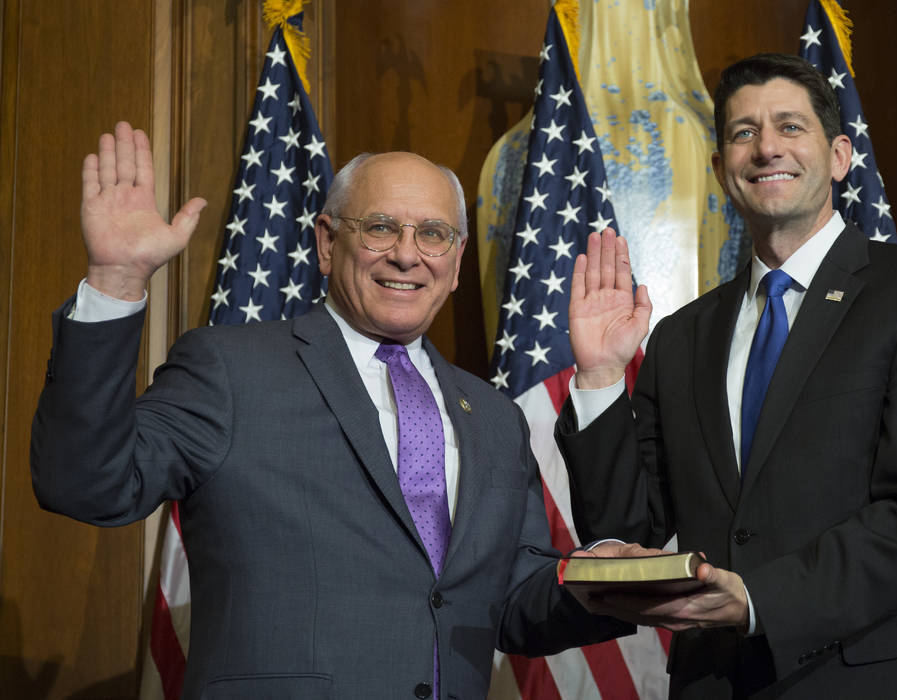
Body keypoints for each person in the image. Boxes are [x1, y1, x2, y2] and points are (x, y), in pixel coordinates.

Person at [31, 122, 632, 699]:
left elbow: (514, 602)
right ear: (325, 242)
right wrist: (115, 279)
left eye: (433, 234)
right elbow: (86, 484)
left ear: (455, 261)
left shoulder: (497, 419)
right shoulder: (230, 370)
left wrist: (619, 586)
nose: (406, 255)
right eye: (379, 227)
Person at [555, 53, 897, 698]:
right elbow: (623, 536)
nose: (766, 148)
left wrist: (758, 598)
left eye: (790, 127)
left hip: (878, 679)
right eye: (743, 133)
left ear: (839, 156)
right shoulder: (680, 337)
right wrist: (598, 376)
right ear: (720, 170)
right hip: (718, 682)